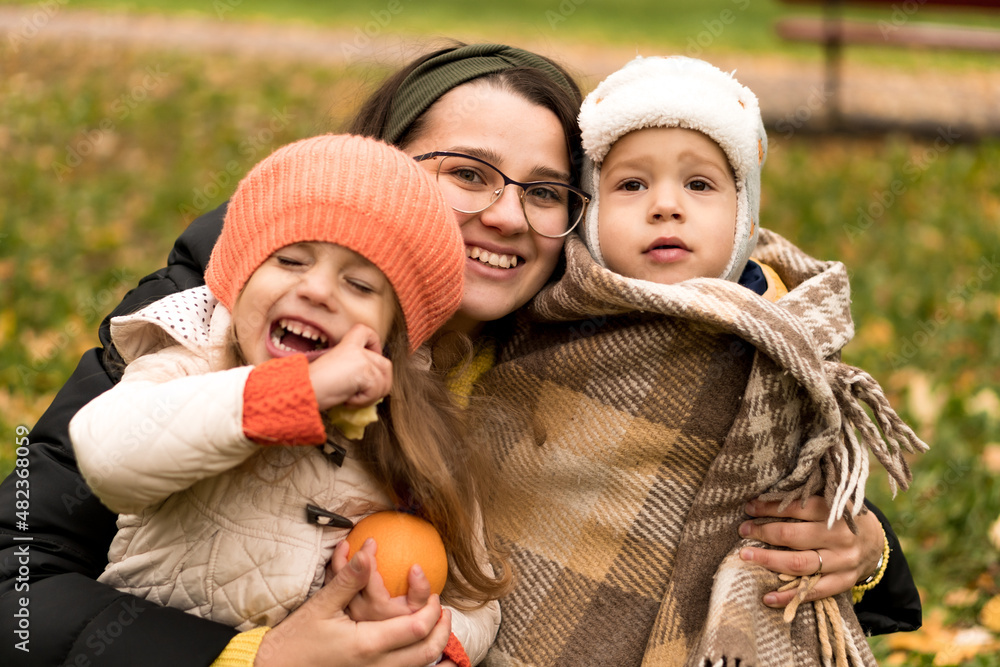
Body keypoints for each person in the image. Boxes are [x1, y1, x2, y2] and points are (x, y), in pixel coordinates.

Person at [0, 43, 918, 667]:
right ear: (372, 167)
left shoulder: (602, 343)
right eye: (467, 175)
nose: (506, 216)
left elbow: (759, 512)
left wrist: (862, 552)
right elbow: (19, 582)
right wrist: (251, 658)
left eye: (547, 191)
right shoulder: (231, 300)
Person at [474, 55, 926, 666]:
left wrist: (869, 549)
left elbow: (794, 480)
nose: (665, 206)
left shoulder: (778, 327)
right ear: (593, 209)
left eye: (700, 184)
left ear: (743, 213)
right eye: (631, 185)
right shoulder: (554, 317)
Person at [67, 133, 510, 666]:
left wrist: (417, 636)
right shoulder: (190, 366)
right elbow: (107, 455)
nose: (318, 290)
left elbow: (475, 596)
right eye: (292, 260)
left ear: (392, 337)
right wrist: (290, 394)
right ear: (242, 277)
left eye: (361, 285)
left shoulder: (413, 440)